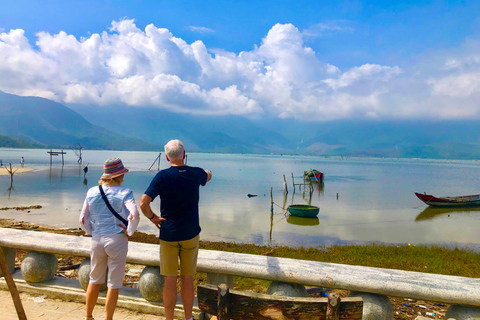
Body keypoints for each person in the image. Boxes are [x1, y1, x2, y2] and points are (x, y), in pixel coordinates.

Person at [140, 140, 212, 320]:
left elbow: (143, 203)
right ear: (184, 154)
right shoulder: (195, 173)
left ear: (166, 157)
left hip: (169, 234)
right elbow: (208, 174)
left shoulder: (162, 176)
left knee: (170, 280)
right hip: (190, 233)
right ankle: (188, 318)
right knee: (188, 279)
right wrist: (205, 172)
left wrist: (152, 218)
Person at [79, 158, 140, 320]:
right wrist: (130, 231)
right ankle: (108, 319)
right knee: (113, 284)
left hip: (97, 239)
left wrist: (91, 231)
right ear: (119, 175)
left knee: (94, 280)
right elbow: (134, 215)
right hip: (116, 240)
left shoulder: (91, 191)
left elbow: (83, 219)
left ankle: (89, 316)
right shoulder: (125, 192)